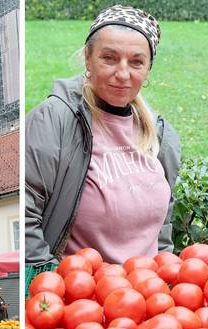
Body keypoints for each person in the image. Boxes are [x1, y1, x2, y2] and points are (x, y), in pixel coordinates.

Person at [25, 5, 181, 267]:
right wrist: (49, 282)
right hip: (82, 296)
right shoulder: (53, 120)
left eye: (136, 62)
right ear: (88, 58)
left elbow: (164, 222)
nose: (122, 74)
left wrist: (165, 273)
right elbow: (26, 212)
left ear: (148, 69)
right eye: (109, 58)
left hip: (148, 293)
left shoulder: (159, 132)